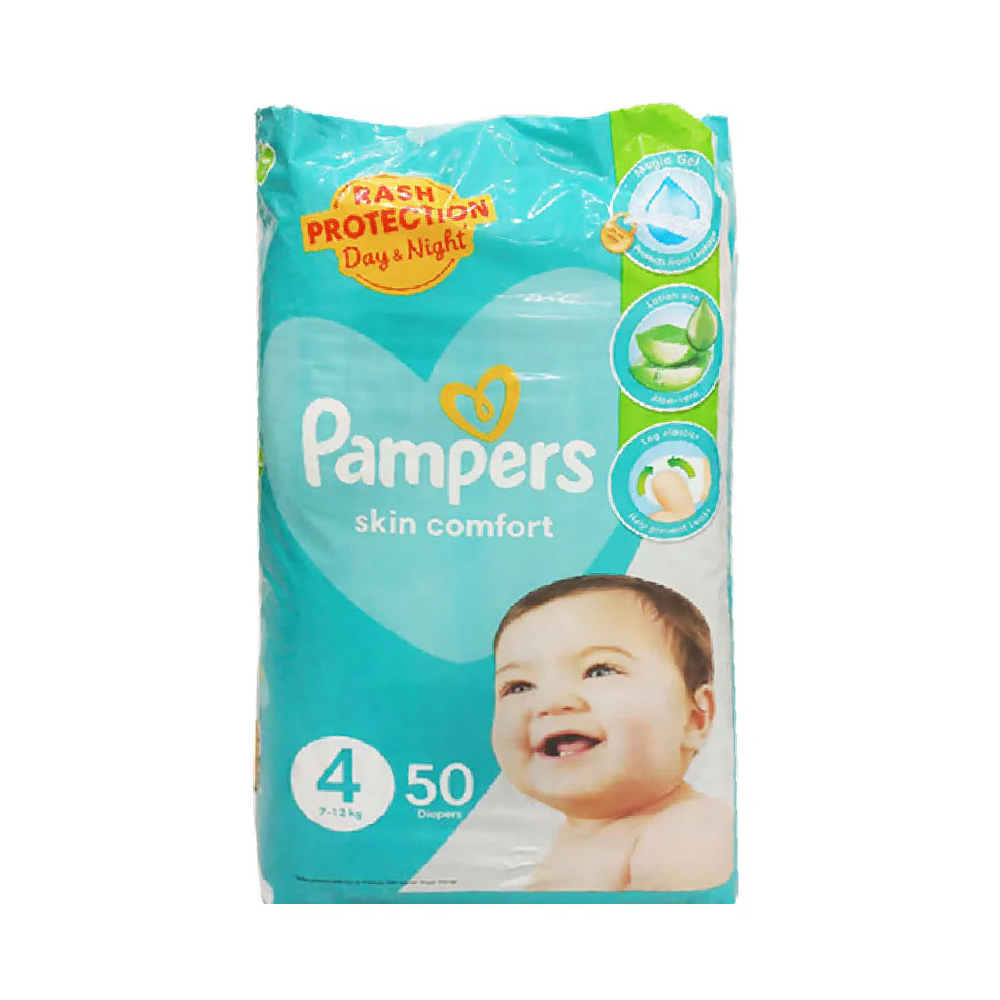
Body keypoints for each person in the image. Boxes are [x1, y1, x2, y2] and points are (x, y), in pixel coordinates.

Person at [491, 574, 733, 891]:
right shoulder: (568, 840)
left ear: (694, 718)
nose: (550, 703)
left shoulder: (690, 830)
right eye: (519, 686)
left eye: (599, 670)